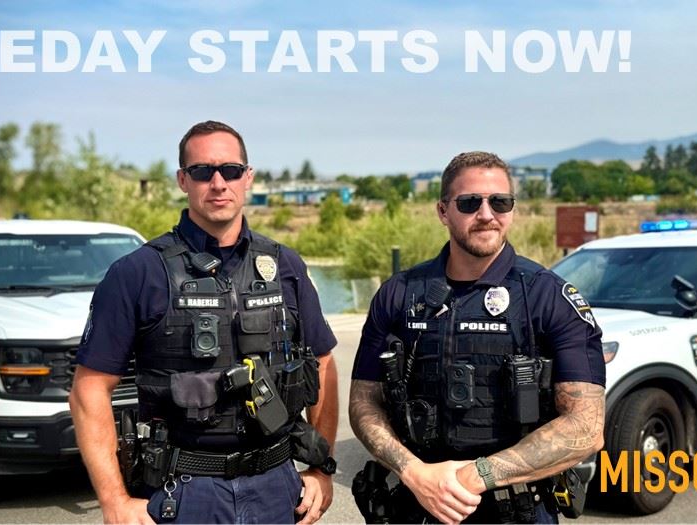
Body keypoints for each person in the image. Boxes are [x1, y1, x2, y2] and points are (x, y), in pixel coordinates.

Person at [70, 121, 339, 524]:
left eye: (230, 170)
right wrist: (113, 501)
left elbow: (322, 364)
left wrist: (321, 470)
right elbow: (89, 388)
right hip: (185, 491)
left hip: (276, 487)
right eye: (202, 171)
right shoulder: (137, 273)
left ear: (248, 177)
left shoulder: (285, 266)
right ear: (183, 180)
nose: (218, 183)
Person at [348, 151, 606, 524]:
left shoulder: (547, 297)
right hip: (418, 503)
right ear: (442, 211)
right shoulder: (400, 293)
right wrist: (414, 472)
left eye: (500, 201)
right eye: (469, 203)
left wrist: (475, 476)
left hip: (515, 512)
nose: (486, 214)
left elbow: (586, 427)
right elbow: (363, 402)